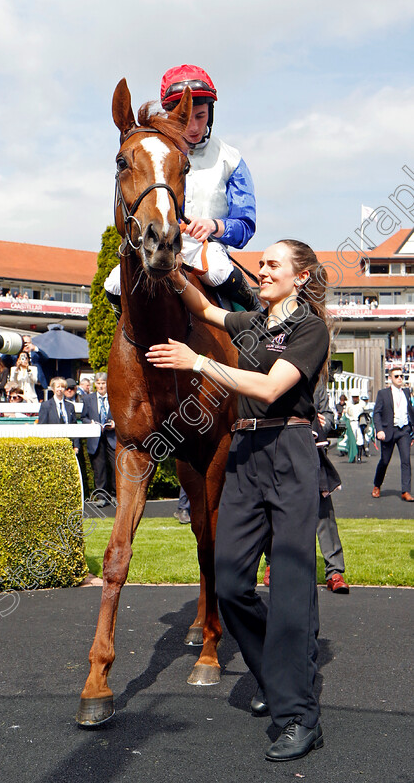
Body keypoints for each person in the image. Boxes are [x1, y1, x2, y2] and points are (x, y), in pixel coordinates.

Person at [146, 239, 330, 762]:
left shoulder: (309, 329)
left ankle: (298, 715)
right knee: (228, 581)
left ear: (300, 277)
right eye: (263, 262)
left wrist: (198, 362)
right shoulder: (252, 323)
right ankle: (279, 673)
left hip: (290, 450)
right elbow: (204, 308)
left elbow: (272, 389)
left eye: (274, 264)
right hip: (247, 454)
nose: (263, 269)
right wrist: (171, 265)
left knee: (292, 588)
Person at [104, 64, 258, 313]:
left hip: (206, 248)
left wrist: (214, 226)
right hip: (162, 241)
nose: (194, 127)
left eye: (201, 116)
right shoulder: (155, 151)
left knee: (221, 272)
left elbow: (246, 225)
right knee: (113, 285)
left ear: (211, 113)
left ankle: (256, 330)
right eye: (188, 117)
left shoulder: (231, 159)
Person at [263, 381, 349, 594]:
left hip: (312, 455)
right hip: (280, 452)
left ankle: (335, 572)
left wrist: (324, 422)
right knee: (274, 511)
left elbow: (328, 415)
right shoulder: (275, 377)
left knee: (324, 513)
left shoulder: (316, 384)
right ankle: (273, 563)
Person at [372, 366, 414, 501]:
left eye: (401, 376)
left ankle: (406, 491)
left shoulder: (407, 392)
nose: (400, 378)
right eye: (396, 376)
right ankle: (377, 485)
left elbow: (410, 412)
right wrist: (379, 430)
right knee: (384, 461)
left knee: (406, 461)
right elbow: (376, 413)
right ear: (390, 378)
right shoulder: (383, 393)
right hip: (389, 430)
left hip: (404, 430)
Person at [81, 372, 117, 506]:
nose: (101, 386)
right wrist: (90, 423)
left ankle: (115, 495)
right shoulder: (88, 399)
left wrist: (115, 423)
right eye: (98, 383)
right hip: (96, 437)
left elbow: (120, 416)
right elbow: (83, 417)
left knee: (115, 468)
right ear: (94, 384)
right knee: (99, 468)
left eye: (103, 383)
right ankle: (101, 497)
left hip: (111, 436)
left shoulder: (114, 398)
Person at [38, 377, 79, 453]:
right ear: (53, 389)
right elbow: (42, 426)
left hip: (68, 444)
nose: (60, 389)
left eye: (62, 387)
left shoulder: (70, 406)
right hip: (52, 445)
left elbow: (74, 426)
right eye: (58, 387)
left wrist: (76, 446)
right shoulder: (46, 405)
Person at [345, 390, 367, 462]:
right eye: (354, 397)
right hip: (351, 422)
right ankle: (353, 456)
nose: (355, 399)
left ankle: (359, 457)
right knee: (352, 439)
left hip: (359, 423)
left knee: (360, 439)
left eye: (356, 397)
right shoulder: (349, 404)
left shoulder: (362, 404)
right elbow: (346, 413)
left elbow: (366, 412)